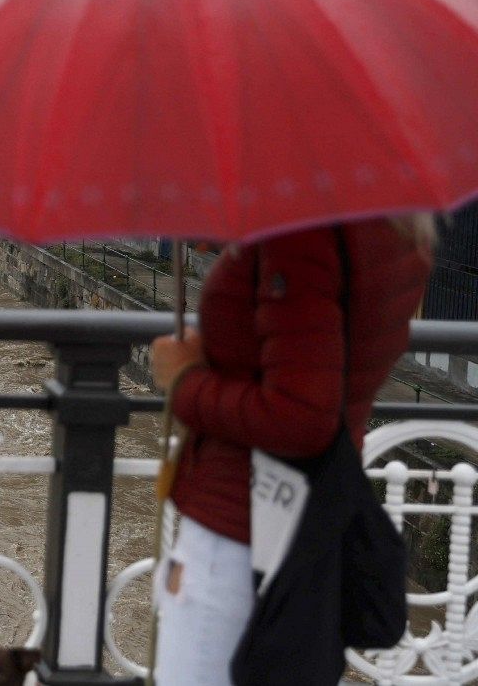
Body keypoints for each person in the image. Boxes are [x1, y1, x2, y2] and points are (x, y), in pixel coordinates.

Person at [148, 217, 434, 686]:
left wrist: (185, 380)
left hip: (239, 531)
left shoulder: (301, 236)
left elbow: (301, 416)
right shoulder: (398, 231)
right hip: (310, 527)